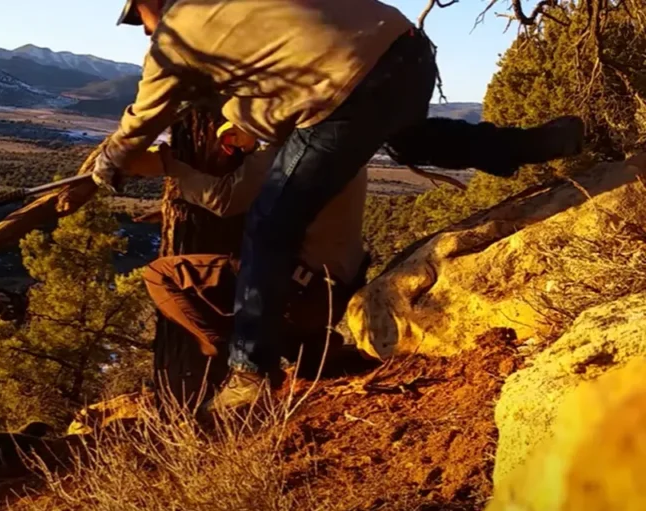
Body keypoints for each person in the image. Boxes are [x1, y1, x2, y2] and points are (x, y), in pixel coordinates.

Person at [92, 0, 585, 415]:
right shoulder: (243, 13)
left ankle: (249, 372)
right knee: (412, 141)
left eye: (140, 19)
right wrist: (240, 126)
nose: (145, 32)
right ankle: (543, 143)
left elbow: (145, 112)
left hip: (348, 85)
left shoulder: (177, 36)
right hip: (405, 50)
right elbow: (296, 66)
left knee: (269, 224)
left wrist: (112, 159)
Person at [133, 122, 369, 389]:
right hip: (337, 293)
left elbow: (224, 199)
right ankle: (307, 349)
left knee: (161, 274)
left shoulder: (289, 151)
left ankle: (237, 360)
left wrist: (171, 168)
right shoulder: (344, 148)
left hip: (299, 293)